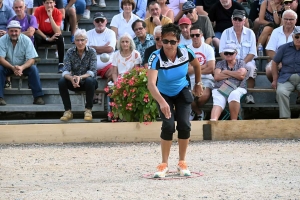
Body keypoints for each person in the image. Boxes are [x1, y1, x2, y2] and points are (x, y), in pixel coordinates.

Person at [147, 23, 203, 178]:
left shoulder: (186, 52)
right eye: (165, 41)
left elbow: (197, 66)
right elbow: (151, 84)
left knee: (185, 124)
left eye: (172, 41)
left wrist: (198, 83)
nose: (169, 45)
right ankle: (164, 164)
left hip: (181, 90)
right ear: (160, 41)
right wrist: (162, 102)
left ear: (178, 41)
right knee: (168, 125)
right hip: (163, 93)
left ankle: (182, 162)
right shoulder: (155, 57)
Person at [0, 20, 44, 106]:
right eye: (11, 31)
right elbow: (0, 58)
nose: (14, 33)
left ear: (20, 31)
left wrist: (22, 67)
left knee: (33, 69)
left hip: (23, 67)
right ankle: (0, 98)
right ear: (8, 31)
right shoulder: (2, 40)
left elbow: (32, 59)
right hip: (7, 66)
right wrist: (12, 67)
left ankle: (38, 97)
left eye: (16, 31)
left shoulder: (26, 40)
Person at [59, 29, 98, 121]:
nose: (80, 42)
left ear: (86, 41)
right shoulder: (70, 52)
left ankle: (88, 109)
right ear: (74, 41)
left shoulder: (92, 52)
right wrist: (72, 78)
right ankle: (68, 111)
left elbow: (93, 71)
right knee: (61, 82)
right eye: (77, 40)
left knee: (90, 80)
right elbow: (65, 71)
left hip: (87, 81)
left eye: (82, 40)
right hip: (74, 81)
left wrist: (80, 77)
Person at [219, 9, 257, 104]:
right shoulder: (225, 32)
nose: (237, 21)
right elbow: (221, 52)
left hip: (246, 61)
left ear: (244, 21)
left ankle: (249, 94)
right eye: (235, 19)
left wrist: (241, 64)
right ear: (232, 20)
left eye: (239, 19)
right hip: (229, 61)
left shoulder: (250, 33)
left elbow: (252, 52)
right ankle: (227, 94)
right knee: (227, 68)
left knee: (250, 67)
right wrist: (231, 62)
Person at [4, 0, 38, 89]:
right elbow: (9, 35)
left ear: (25, 7)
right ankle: (7, 81)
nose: (18, 9)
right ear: (13, 8)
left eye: (20, 7)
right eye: (16, 7)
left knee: (33, 66)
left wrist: (14, 33)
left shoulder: (31, 18)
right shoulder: (11, 20)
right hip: (13, 46)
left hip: (28, 47)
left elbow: (31, 33)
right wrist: (20, 33)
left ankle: (34, 87)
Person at [210, 43, 248, 121]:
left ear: (236, 53)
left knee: (234, 94)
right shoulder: (220, 63)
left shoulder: (241, 63)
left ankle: (233, 121)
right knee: (218, 100)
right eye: (226, 53)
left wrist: (226, 72)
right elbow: (216, 77)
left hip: (238, 87)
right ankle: (213, 122)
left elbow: (241, 76)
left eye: (231, 53)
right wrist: (235, 74)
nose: (228, 55)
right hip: (220, 87)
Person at [86, 12, 116, 104]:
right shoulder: (87, 33)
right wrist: (103, 48)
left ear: (106, 21)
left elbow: (110, 48)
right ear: (93, 22)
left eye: (102, 20)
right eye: (97, 21)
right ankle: (90, 102)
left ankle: (104, 97)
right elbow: (85, 51)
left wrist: (93, 47)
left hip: (107, 66)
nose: (100, 23)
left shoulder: (111, 33)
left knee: (114, 74)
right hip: (90, 66)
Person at [271, 27, 300, 118]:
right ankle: (285, 118)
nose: (299, 39)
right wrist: (275, 80)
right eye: (297, 37)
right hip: (286, 79)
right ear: (292, 36)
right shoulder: (284, 48)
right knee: (281, 92)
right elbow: (274, 62)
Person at [188, 25, 215, 120]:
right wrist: (203, 66)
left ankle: (193, 110)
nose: (195, 37)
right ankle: (199, 112)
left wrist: (195, 68)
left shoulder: (208, 48)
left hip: (207, 79)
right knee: (186, 96)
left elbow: (211, 68)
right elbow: (186, 70)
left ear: (202, 35)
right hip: (191, 79)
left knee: (204, 96)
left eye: (197, 35)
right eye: (192, 35)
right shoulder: (187, 49)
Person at [265, 10, 297, 82]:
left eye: (291, 19)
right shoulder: (276, 31)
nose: (288, 21)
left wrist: (287, 62)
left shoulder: (299, 31)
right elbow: (270, 50)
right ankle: (277, 85)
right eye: (286, 19)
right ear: (282, 19)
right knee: (269, 70)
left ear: (296, 20)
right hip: (278, 60)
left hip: (296, 61)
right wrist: (278, 61)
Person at [34, 0, 65, 73]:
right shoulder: (38, 10)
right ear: (43, 3)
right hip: (41, 33)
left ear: (54, 3)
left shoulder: (58, 12)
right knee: (34, 37)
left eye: (51, 3)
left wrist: (50, 17)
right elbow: (35, 28)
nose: (49, 5)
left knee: (60, 37)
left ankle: (61, 63)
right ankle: (33, 63)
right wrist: (47, 38)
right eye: (47, 3)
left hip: (53, 33)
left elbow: (57, 31)